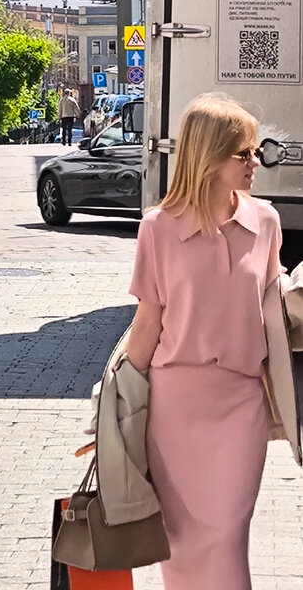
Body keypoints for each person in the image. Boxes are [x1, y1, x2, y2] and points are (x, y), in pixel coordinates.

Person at [125, 93, 280, 589]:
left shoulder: (266, 223)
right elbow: (148, 323)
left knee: (227, 535)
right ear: (209, 157)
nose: (255, 161)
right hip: (174, 407)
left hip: (240, 404)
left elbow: (274, 317)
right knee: (184, 541)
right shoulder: (158, 229)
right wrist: (118, 400)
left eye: (255, 151)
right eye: (243, 153)